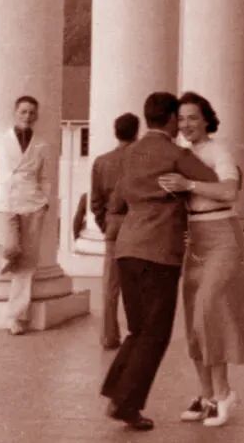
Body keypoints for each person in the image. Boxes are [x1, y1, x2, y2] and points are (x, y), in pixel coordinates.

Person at [101, 92, 219, 432]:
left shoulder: (129, 153)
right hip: (159, 252)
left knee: (138, 329)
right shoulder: (176, 154)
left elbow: (117, 199)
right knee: (155, 333)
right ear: (169, 119)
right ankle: (125, 404)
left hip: (127, 248)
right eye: (178, 118)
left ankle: (117, 393)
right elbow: (211, 181)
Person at [158, 92, 244, 428]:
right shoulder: (180, 154)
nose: (186, 124)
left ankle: (223, 393)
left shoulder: (219, 151)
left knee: (209, 310)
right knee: (195, 317)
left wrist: (188, 183)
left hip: (222, 236)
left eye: (193, 117)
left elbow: (229, 192)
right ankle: (206, 394)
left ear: (206, 120)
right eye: (181, 118)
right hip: (195, 239)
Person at [0, 95, 52, 336]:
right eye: (23, 111)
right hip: (5, 202)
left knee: (26, 265)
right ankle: (7, 257)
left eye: (31, 112)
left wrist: (45, 201)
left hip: (32, 204)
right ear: (15, 113)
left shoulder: (41, 144)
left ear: (36, 116)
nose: (27, 116)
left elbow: (45, 177)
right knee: (9, 247)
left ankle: (16, 317)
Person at [90, 112, 140, 349]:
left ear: (115, 132)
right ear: (136, 133)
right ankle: (138, 334)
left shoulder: (101, 162)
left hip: (114, 224)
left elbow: (95, 201)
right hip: (138, 224)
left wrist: (106, 223)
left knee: (110, 285)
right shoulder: (143, 161)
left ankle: (109, 336)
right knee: (137, 282)